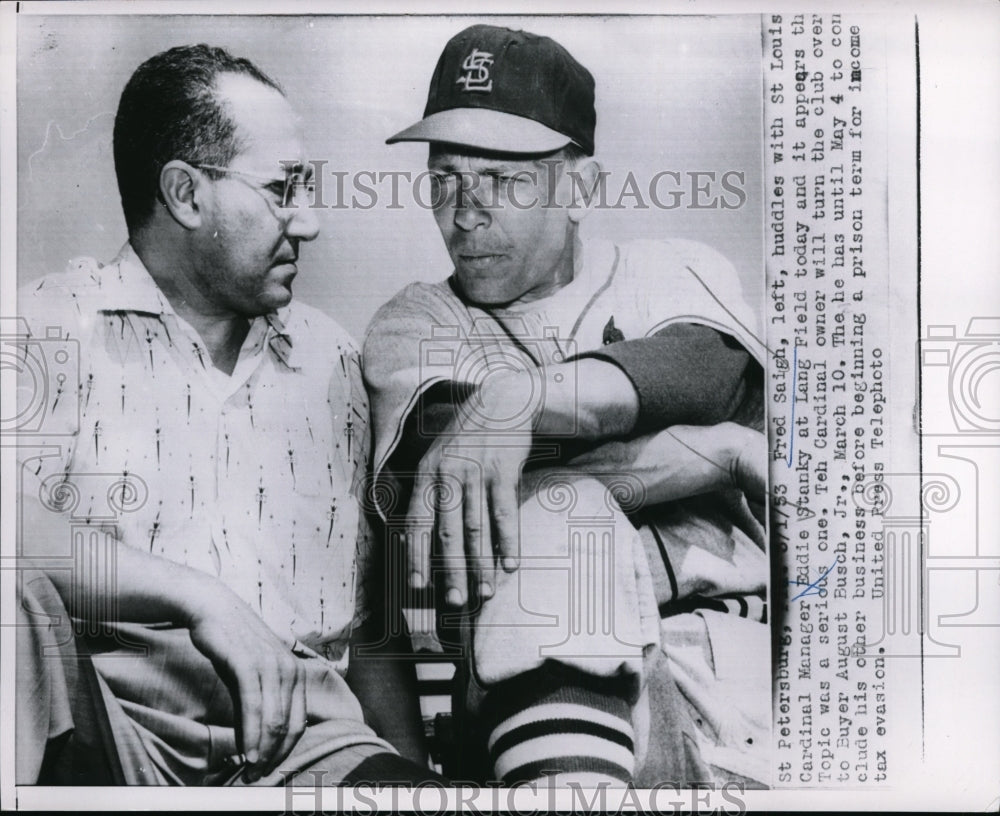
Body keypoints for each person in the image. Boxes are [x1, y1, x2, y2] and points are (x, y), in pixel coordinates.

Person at [14, 44, 435, 787]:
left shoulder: (330, 360)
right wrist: (198, 596)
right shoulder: (49, 325)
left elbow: (372, 625)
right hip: (110, 741)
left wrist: (412, 777)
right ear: (184, 193)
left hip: (302, 748)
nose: (308, 222)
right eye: (282, 188)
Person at [363, 24, 770, 786]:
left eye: (504, 180)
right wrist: (717, 453)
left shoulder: (671, 268)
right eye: (445, 179)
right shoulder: (412, 323)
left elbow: (699, 375)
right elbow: (487, 498)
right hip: (534, 712)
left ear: (578, 187)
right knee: (556, 516)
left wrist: (518, 400)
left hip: (733, 704)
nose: (466, 213)